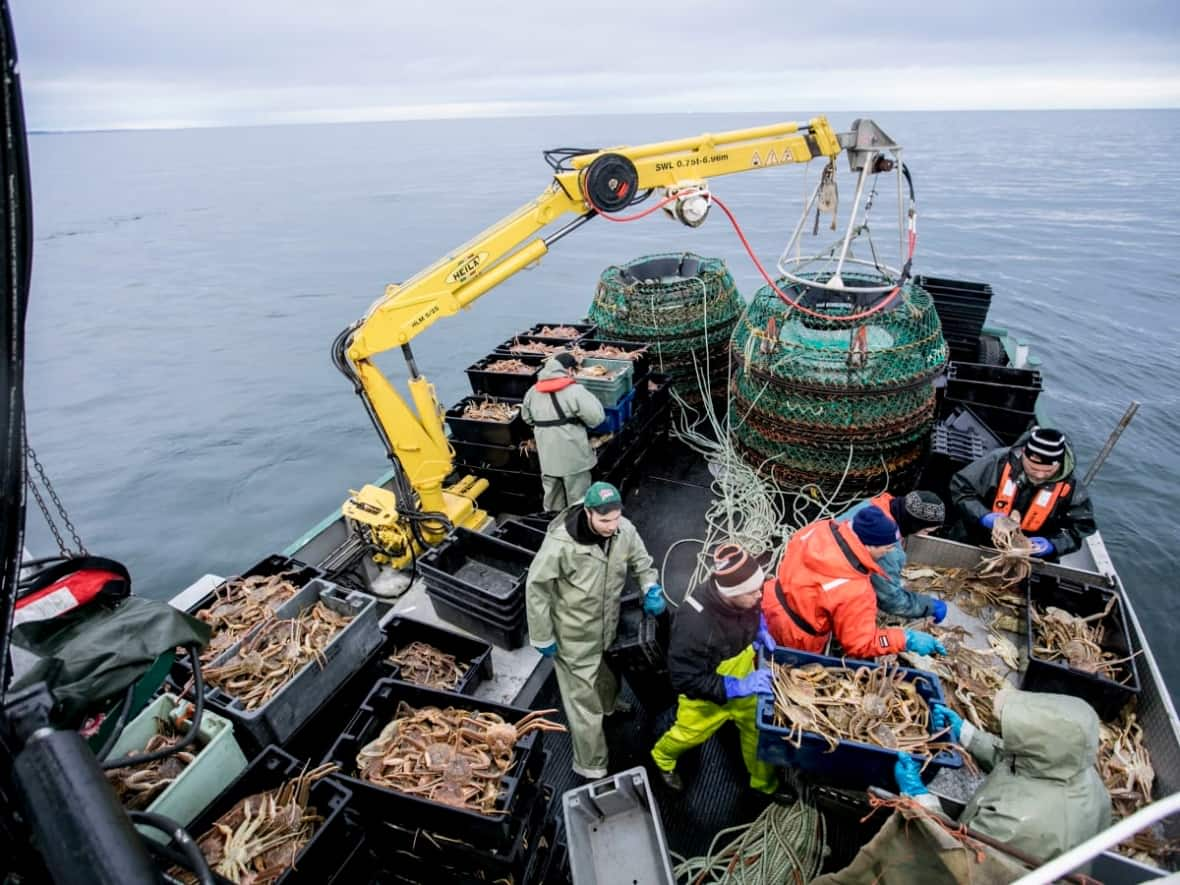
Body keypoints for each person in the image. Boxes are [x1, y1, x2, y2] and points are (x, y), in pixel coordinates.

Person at [525, 481, 663, 779]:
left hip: (607, 626)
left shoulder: (623, 530)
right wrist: (542, 635)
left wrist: (650, 586)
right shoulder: (561, 545)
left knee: (607, 674)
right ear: (588, 513)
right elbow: (537, 588)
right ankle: (591, 765)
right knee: (583, 706)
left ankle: (610, 706)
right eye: (604, 520)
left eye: (615, 518)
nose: (612, 526)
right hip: (573, 636)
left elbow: (641, 561)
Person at [893, 689, 1111, 862]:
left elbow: (956, 855)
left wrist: (919, 798)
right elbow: (1023, 761)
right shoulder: (1077, 768)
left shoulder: (1013, 824)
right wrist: (967, 734)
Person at [650, 543, 780, 795]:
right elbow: (685, 679)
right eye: (753, 592)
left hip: (740, 665)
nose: (760, 596)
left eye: (759, 588)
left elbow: (753, 607)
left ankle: (764, 784)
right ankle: (662, 760)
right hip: (707, 688)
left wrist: (759, 628)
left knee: (757, 730)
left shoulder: (743, 596)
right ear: (731, 594)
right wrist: (734, 687)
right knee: (688, 734)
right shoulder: (693, 626)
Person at [763, 506, 946, 659]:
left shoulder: (820, 528)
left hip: (767, 603)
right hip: (796, 637)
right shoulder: (856, 589)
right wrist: (905, 639)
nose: (889, 552)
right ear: (870, 545)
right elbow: (860, 644)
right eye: (887, 547)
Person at [950, 426, 1096, 560]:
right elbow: (961, 488)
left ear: (1059, 464)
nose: (1039, 475)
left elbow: (1080, 529)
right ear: (1024, 455)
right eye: (1033, 468)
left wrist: (1053, 545)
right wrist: (984, 516)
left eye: (1048, 471)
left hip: (1028, 552)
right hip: (978, 535)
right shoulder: (997, 462)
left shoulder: (1072, 487)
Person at [836, 490, 947, 620]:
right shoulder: (888, 549)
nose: (925, 536)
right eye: (926, 530)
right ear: (914, 523)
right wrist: (929, 606)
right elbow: (891, 600)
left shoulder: (874, 505)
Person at [520, 351, 606, 512]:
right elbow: (596, 419)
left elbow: (527, 418)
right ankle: (577, 533)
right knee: (578, 502)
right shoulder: (575, 391)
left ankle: (554, 531)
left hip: (548, 459)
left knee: (552, 502)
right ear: (569, 370)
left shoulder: (532, 392)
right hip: (574, 460)